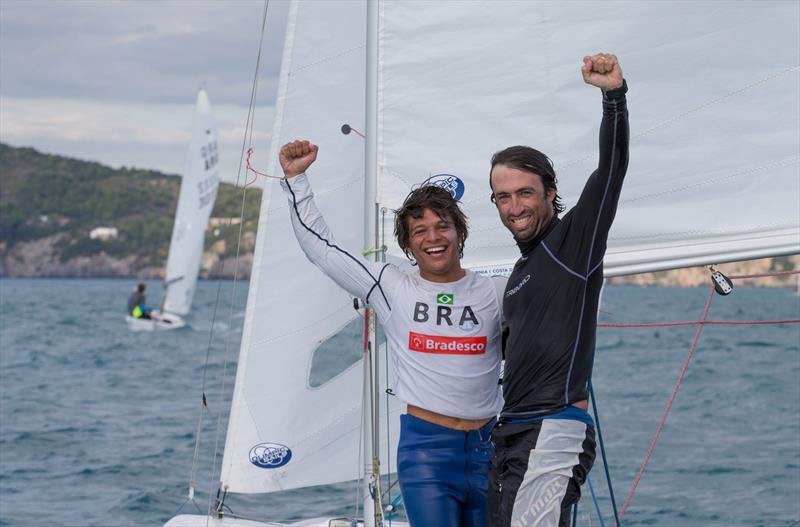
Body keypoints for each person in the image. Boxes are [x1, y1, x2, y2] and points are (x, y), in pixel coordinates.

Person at [279, 139, 504, 527]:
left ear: (459, 233)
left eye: (442, 227)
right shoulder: (391, 286)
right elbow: (323, 250)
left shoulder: (495, 292)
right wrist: (297, 180)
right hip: (428, 453)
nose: (432, 238)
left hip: (491, 449)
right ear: (407, 244)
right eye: (420, 231)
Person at [487, 53, 629, 526]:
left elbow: (610, 173)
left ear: (550, 192)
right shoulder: (520, 272)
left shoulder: (573, 244)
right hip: (514, 433)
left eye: (525, 192)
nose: (514, 206)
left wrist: (613, 97)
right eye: (502, 197)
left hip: (551, 430)